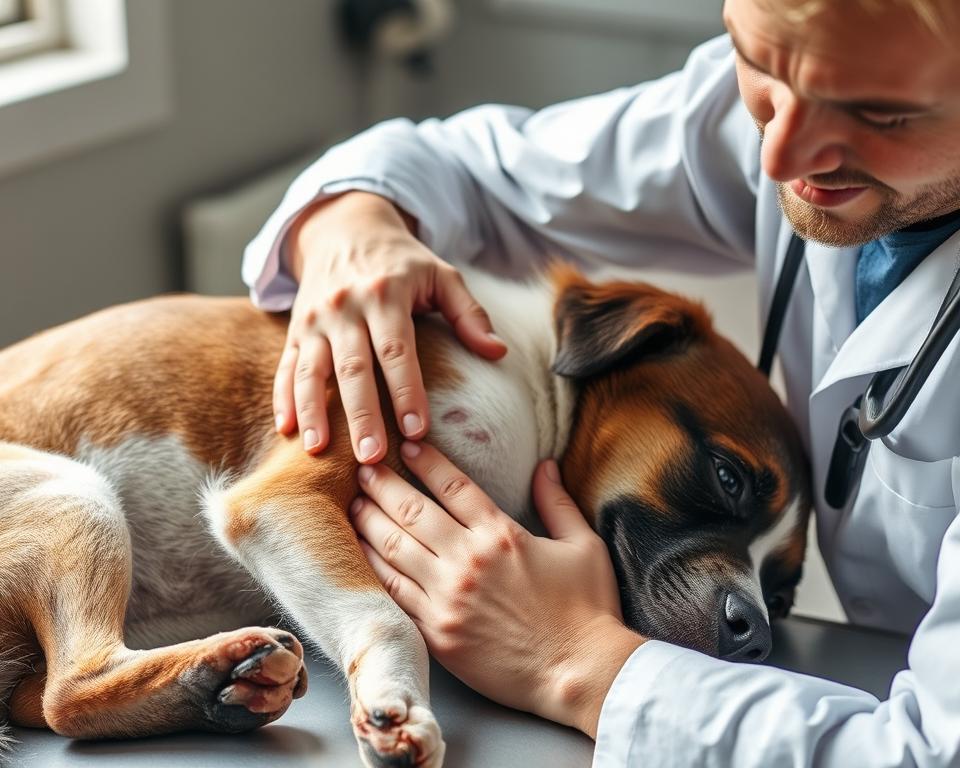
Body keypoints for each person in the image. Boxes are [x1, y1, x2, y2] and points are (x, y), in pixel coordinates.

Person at [241, 0, 960, 763]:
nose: (778, 156)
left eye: (881, 115)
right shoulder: (802, 95)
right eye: (758, 62)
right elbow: (467, 168)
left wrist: (573, 660)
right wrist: (355, 225)